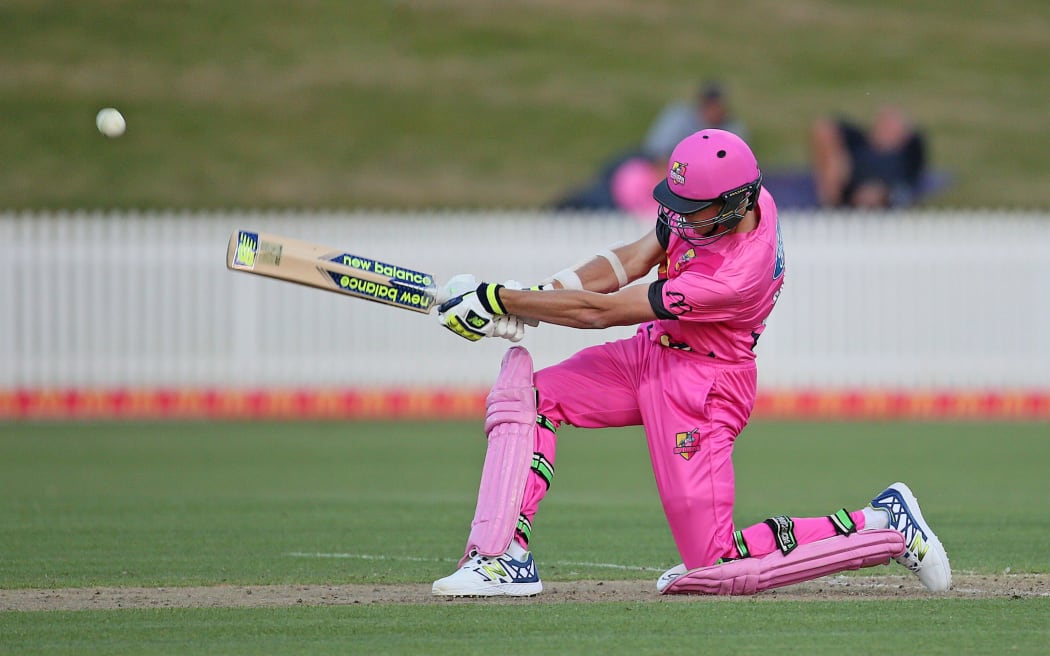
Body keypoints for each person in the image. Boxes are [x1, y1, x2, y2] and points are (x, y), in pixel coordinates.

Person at [431, 129, 951, 597]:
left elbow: (601, 312)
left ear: (733, 203)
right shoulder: (726, 199)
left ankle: (883, 525)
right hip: (652, 352)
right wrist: (539, 293)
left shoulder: (732, 276)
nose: (679, 217)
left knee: (714, 567)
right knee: (529, 398)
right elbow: (632, 257)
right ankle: (502, 558)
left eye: (694, 208)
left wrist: (502, 300)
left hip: (701, 389)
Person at [552, 80, 747, 214]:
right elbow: (658, 153)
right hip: (655, 170)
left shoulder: (732, 128)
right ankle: (564, 205)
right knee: (601, 191)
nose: (712, 111)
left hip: (685, 178)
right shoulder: (680, 116)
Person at [811, 106, 927, 208]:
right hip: (843, 194)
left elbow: (905, 189)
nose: (887, 127)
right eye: (883, 123)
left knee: (871, 196)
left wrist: (882, 193)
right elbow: (823, 127)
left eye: (893, 125)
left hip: (882, 202)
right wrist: (837, 162)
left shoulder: (906, 156)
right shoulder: (859, 143)